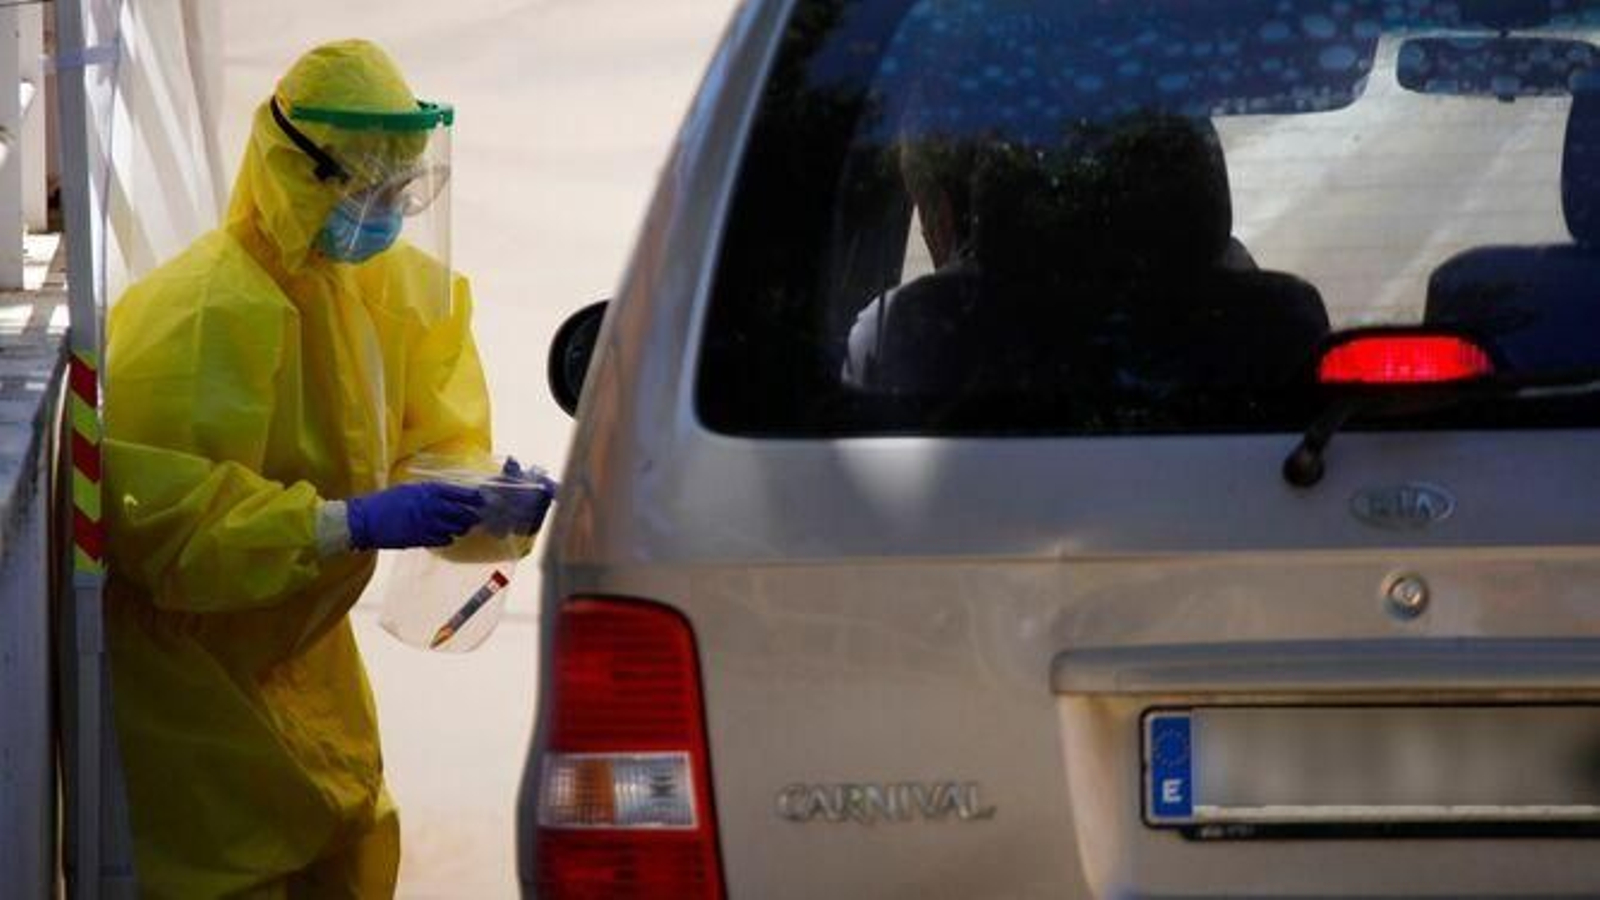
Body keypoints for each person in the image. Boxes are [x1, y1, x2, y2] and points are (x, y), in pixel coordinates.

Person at [102, 40, 523, 897]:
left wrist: (487, 496)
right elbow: (162, 530)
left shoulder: (385, 287)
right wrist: (346, 522)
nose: (388, 210)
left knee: (352, 853)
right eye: (367, 186)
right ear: (298, 173)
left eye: (401, 187)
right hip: (194, 700)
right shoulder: (203, 310)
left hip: (309, 667)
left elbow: (433, 436)